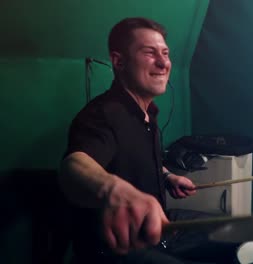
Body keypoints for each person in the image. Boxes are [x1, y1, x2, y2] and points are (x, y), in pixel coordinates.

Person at [58, 17, 238, 264]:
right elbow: (73, 165)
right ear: (119, 61)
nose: (164, 63)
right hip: (120, 246)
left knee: (237, 232)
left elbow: (137, 158)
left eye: (165, 53)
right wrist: (114, 190)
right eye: (150, 53)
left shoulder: (148, 112)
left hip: (161, 223)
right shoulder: (103, 114)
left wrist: (166, 177)